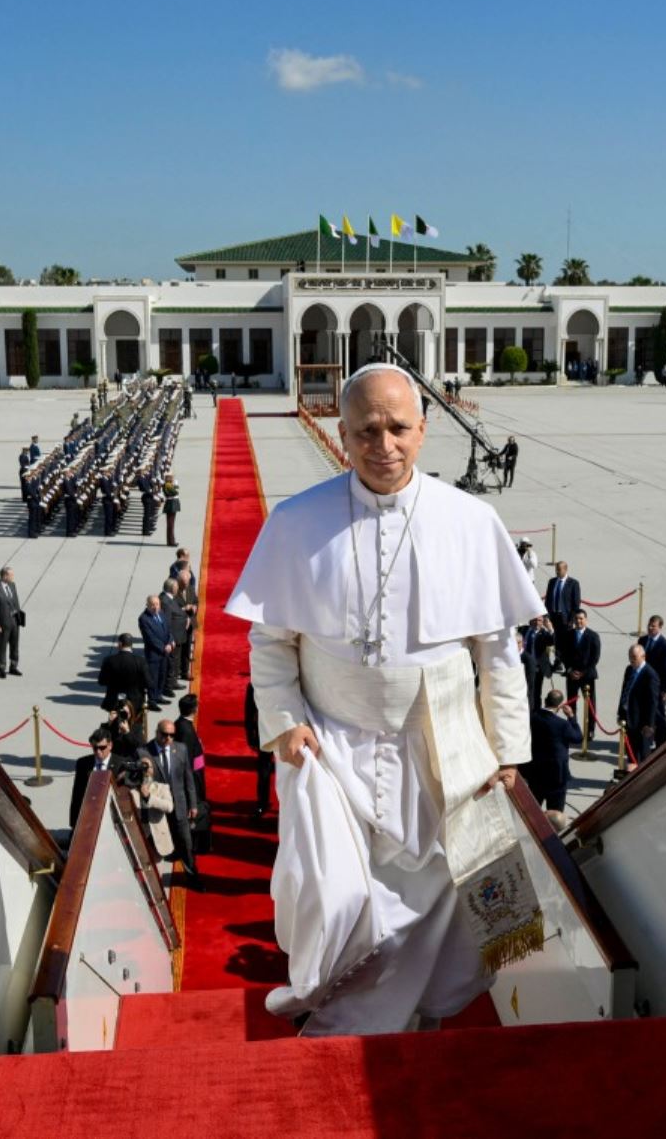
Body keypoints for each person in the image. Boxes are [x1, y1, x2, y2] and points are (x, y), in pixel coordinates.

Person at [225, 360, 544, 1036]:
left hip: (441, 750)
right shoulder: (296, 522)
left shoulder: (471, 521)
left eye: (398, 427)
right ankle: (346, 1024)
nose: (384, 444)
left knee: (438, 901)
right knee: (339, 898)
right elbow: (271, 642)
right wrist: (285, 723)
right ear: (342, 434)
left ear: (423, 430)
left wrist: (509, 749)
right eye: (366, 430)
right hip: (333, 747)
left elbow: (498, 651)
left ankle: (412, 1026)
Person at [147, 720, 200, 883]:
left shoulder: (181, 749)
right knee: (159, 845)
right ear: (157, 733)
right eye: (165, 734)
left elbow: (188, 778)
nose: (168, 738)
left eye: (172, 735)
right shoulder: (144, 751)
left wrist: (193, 804)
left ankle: (192, 878)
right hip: (158, 809)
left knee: (186, 844)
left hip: (179, 806)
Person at [523, 690, 579, 826]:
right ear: (559, 706)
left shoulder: (532, 718)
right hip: (556, 775)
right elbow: (577, 737)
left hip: (535, 772)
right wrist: (571, 717)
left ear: (545, 701)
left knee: (532, 811)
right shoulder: (562, 724)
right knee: (555, 814)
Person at [69, 730, 131, 833]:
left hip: (112, 816)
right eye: (95, 748)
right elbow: (77, 794)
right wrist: (74, 824)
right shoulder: (83, 764)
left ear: (110, 745)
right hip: (90, 815)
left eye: (102, 748)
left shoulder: (121, 764)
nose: (98, 751)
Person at [176, 693, 210, 854]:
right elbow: (187, 761)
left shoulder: (181, 724)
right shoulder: (187, 731)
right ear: (194, 709)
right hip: (193, 780)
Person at [616, 642, 661, 767]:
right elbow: (624, 691)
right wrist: (620, 712)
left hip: (641, 724)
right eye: (630, 656)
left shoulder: (650, 675)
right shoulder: (629, 670)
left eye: (634, 657)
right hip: (628, 717)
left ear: (643, 657)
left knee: (642, 756)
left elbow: (653, 702)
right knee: (630, 752)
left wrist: (649, 725)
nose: (631, 660)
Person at [559, 608, 600, 739]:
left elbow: (595, 658)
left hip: (587, 676)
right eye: (576, 619)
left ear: (586, 620)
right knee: (571, 703)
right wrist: (570, 670)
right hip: (571, 675)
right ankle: (572, 728)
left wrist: (582, 673)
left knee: (590, 704)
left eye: (581, 619)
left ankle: (590, 730)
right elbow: (563, 654)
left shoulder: (593, 636)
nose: (578, 621)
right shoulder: (568, 635)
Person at [639, 615, 666, 743]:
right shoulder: (642, 641)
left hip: (658, 688)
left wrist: (665, 690)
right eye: (649, 625)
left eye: (653, 626)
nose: (650, 628)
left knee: (659, 715)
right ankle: (645, 740)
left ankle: (662, 743)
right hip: (643, 685)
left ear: (660, 627)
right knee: (644, 712)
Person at [98, 632, 150, 719]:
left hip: (114, 701)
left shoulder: (109, 660)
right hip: (135, 702)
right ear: (131, 645)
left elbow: (102, 681)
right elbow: (148, 682)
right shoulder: (140, 661)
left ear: (120, 644)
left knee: (114, 723)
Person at [244, 678, 274, 819]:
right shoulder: (254, 685)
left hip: (284, 731)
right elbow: (249, 712)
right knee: (264, 771)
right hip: (264, 732)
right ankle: (262, 802)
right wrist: (251, 735)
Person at [138, 595, 174, 710]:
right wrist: (164, 647)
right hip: (154, 654)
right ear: (147, 605)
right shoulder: (144, 619)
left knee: (162, 675)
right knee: (153, 677)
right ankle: (152, 700)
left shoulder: (161, 614)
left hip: (165, 652)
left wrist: (170, 642)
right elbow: (150, 638)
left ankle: (158, 695)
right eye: (152, 604)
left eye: (157, 604)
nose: (155, 607)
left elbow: (168, 630)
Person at [0, 566, 23, 678]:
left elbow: (16, 601)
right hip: (3, 623)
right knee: (2, 646)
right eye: (11, 575)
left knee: (15, 645)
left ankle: (13, 666)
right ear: (5, 576)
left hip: (15, 621)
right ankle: (1, 667)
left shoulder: (12, 585)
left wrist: (20, 618)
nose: (13, 577)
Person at [160, 578, 190, 693]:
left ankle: (173, 682)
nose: (178, 588)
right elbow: (167, 622)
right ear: (172, 588)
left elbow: (175, 612)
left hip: (178, 636)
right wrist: (170, 639)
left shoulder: (169, 599)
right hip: (174, 637)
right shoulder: (165, 601)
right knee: (172, 662)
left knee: (175, 661)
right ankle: (169, 685)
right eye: (176, 586)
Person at [543, 561, 581, 632]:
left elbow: (576, 604)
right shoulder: (552, 582)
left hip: (565, 619)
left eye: (559, 569)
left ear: (565, 569)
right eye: (556, 570)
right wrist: (546, 616)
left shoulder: (573, 583)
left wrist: (572, 620)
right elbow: (548, 600)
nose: (557, 572)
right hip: (553, 617)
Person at [163, 476, 182, 545]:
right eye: (171, 478)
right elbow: (175, 492)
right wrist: (175, 486)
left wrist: (175, 486)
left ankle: (171, 540)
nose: (173, 480)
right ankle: (171, 541)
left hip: (171, 503)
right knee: (171, 524)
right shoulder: (168, 485)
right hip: (171, 504)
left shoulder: (169, 485)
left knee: (171, 524)